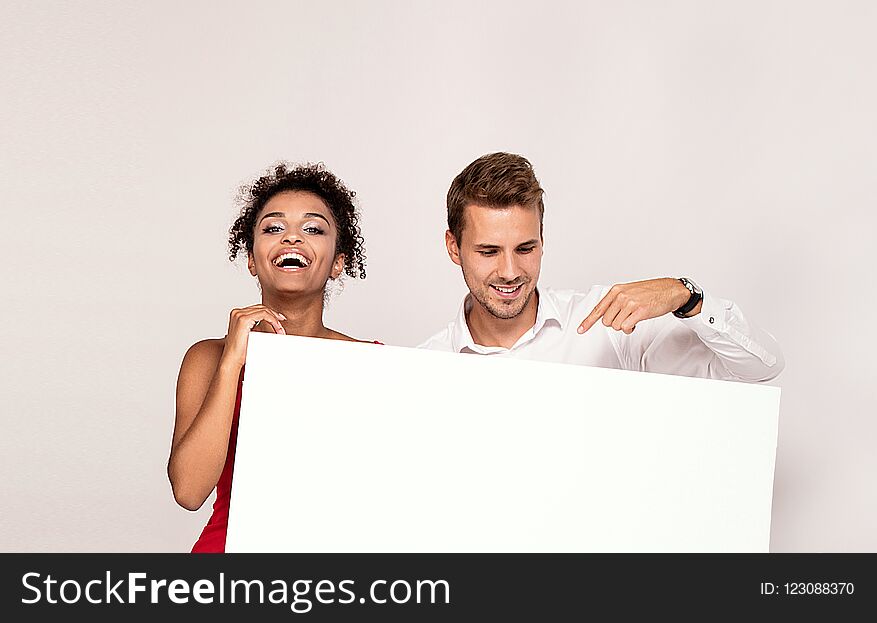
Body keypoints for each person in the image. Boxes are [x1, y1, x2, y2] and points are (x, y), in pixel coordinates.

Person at [419, 152, 784, 382]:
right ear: (454, 247)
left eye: (525, 248)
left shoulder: (608, 327)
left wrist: (688, 297)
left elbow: (760, 368)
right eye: (489, 252)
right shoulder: (425, 367)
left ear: (542, 240)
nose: (511, 271)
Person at [168, 162, 372, 553]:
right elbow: (189, 491)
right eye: (274, 228)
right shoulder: (208, 358)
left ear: (338, 262)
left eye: (312, 229)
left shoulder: (368, 363)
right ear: (251, 258)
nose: (292, 238)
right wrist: (232, 362)